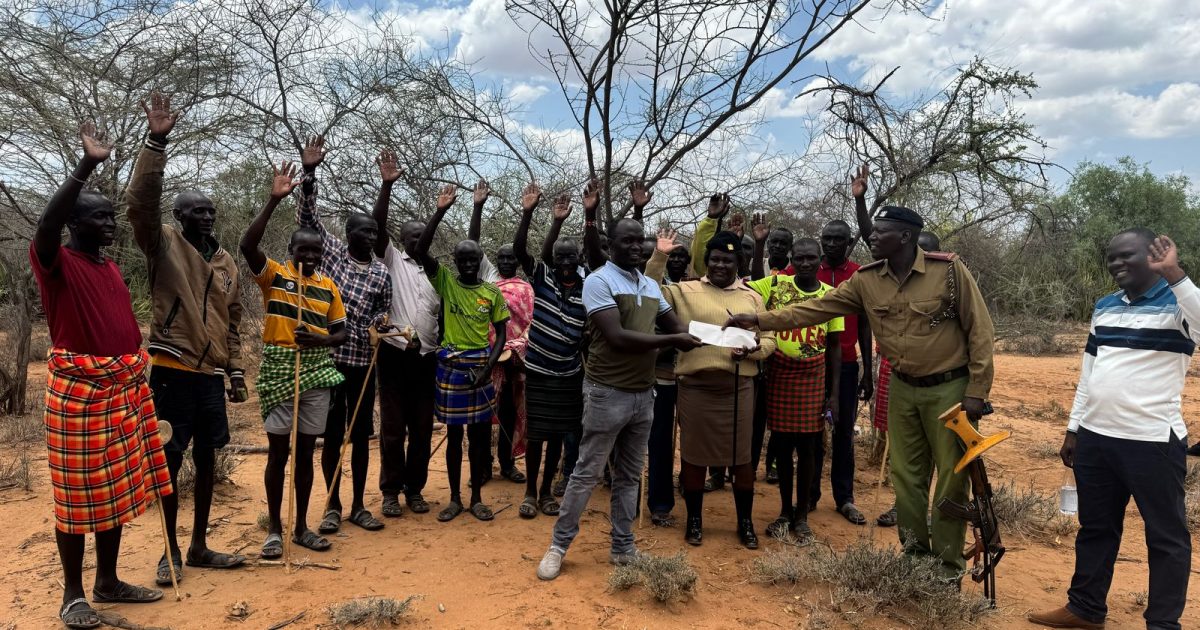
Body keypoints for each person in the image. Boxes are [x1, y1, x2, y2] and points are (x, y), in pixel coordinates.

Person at [726, 203, 995, 579]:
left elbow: (980, 330)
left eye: (881, 231)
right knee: (907, 477)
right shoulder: (866, 280)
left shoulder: (948, 271)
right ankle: (915, 560)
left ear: (905, 236)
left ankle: (947, 569)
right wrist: (758, 319)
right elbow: (815, 309)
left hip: (949, 390)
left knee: (952, 478)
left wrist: (977, 391)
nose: (872, 236)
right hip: (902, 388)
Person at [33, 122, 173, 629]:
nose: (111, 224)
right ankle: (73, 595)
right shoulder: (56, 262)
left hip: (123, 391)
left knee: (116, 489)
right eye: (100, 217)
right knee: (76, 497)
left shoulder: (110, 268)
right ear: (74, 222)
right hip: (80, 394)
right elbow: (45, 227)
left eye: (113, 217)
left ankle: (108, 581)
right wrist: (87, 164)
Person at [1029, 232, 1194, 630]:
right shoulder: (1105, 306)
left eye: (1126, 256)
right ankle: (1085, 609)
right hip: (1096, 438)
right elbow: (1089, 373)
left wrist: (1174, 274)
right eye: (1111, 258)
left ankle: (1162, 623)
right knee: (1096, 528)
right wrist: (1073, 428)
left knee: (1165, 537)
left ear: (1152, 256)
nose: (1116, 264)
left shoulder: (1178, 305)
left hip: (1152, 441)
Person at [536, 191, 702, 581]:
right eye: (627, 241)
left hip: (644, 394)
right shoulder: (599, 281)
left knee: (629, 476)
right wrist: (672, 340)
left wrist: (723, 336)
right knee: (586, 473)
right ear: (610, 245)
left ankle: (623, 547)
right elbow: (618, 337)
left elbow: (678, 327)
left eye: (639, 240)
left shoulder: (650, 285)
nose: (636, 247)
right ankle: (558, 546)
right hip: (607, 392)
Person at [124, 94, 249, 586]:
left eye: (211, 211)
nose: (206, 217)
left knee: (207, 459)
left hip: (210, 377)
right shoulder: (163, 244)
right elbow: (140, 203)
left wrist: (235, 371)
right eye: (197, 211)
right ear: (178, 215)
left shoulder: (225, 262)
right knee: (169, 462)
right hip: (172, 372)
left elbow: (232, 321)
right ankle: (169, 550)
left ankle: (198, 545)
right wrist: (156, 143)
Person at [240, 160, 347, 558]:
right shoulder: (276, 276)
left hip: (316, 373)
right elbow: (247, 247)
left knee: (304, 454)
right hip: (279, 369)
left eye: (316, 250)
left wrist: (320, 339)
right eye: (303, 249)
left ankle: (301, 527)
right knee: (278, 453)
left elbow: (341, 333)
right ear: (291, 251)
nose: (310, 255)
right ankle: (274, 529)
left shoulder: (328, 286)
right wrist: (273, 200)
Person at [292, 137, 392, 535]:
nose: (369, 237)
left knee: (361, 434)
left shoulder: (381, 271)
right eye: (363, 231)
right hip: (329, 360)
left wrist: (381, 323)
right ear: (348, 233)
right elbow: (308, 217)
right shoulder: (331, 253)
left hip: (363, 363)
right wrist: (309, 173)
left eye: (374, 232)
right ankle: (332, 505)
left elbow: (382, 308)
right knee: (333, 434)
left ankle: (358, 506)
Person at [664, 231, 777, 548]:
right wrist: (659, 256)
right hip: (695, 388)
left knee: (741, 459)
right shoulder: (684, 290)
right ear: (706, 261)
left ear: (738, 262)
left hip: (738, 388)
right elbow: (648, 292)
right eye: (714, 259)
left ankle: (745, 522)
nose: (720, 265)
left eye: (728, 260)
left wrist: (752, 350)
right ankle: (694, 520)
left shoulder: (751, 297)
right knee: (694, 456)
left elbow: (769, 340)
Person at [413, 184, 510, 523]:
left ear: (480, 261)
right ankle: (454, 499)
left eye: (474, 259)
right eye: (463, 259)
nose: (469, 264)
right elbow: (421, 250)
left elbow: (502, 333)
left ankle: (477, 498)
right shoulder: (446, 283)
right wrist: (440, 211)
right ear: (454, 262)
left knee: (480, 436)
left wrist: (489, 367)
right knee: (454, 437)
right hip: (452, 368)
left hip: (480, 367)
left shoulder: (492, 292)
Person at [747, 238, 842, 544]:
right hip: (779, 372)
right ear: (791, 258)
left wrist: (834, 395)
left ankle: (802, 515)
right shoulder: (776, 286)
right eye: (798, 258)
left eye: (810, 258)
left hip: (813, 375)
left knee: (809, 448)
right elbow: (748, 284)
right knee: (782, 445)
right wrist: (759, 244)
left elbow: (835, 347)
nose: (804, 263)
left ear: (820, 259)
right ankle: (785, 511)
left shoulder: (831, 296)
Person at [511, 188, 587, 518]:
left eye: (572, 257)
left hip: (569, 374)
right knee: (537, 434)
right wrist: (532, 214)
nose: (566, 263)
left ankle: (545, 493)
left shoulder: (589, 287)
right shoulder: (543, 278)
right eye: (561, 257)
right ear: (554, 259)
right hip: (539, 371)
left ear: (579, 259)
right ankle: (530, 492)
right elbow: (520, 250)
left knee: (558, 435)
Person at [371, 150, 439, 516]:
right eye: (412, 236)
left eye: (422, 235)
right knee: (394, 428)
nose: (418, 240)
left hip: (427, 359)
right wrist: (387, 186)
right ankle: (390, 491)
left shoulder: (436, 273)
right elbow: (378, 225)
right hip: (395, 355)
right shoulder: (393, 260)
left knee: (423, 429)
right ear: (401, 239)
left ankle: (415, 490)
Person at [810, 219, 874, 524]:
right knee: (811, 433)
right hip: (810, 363)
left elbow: (864, 324)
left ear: (849, 242)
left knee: (844, 432)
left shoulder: (860, 275)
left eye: (838, 239)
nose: (832, 244)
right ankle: (809, 495)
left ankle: (844, 498)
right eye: (827, 238)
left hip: (847, 364)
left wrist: (868, 372)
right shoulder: (808, 269)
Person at [643, 229, 692, 526]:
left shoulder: (693, 287)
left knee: (691, 438)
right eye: (668, 257)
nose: (675, 261)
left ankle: (690, 484)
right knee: (659, 439)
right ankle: (660, 502)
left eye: (680, 256)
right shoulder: (647, 287)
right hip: (659, 375)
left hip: (690, 375)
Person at [490, 240, 534, 483]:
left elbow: (530, 323)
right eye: (502, 258)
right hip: (489, 360)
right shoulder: (489, 288)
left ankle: (507, 464)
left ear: (518, 261)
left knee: (509, 412)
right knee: (483, 415)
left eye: (510, 258)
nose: (506, 262)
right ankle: (483, 466)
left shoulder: (527, 289)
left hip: (516, 361)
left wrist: (516, 348)